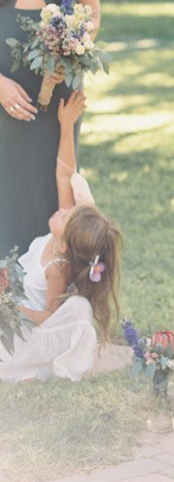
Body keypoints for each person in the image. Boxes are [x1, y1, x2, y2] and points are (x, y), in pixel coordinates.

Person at [0, 0, 101, 252]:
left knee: (60, 187)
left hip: (58, 86)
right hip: (5, 89)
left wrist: (74, 47)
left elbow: (92, 10)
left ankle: (58, 299)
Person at [0, 90, 126, 382]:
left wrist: (9, 305)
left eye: (65, 216)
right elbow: (64, 175)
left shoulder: (58, 268)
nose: (61, 212)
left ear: (67, 244)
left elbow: (49, 319)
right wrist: (67, 124)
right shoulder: (66, 235)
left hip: (19, 326)